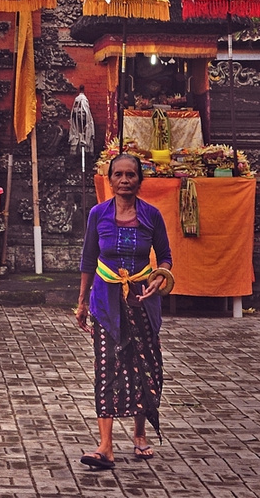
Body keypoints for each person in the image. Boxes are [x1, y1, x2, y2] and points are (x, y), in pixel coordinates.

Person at [76, 153, 173, 470]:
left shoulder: (151, 216)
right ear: (110, 179)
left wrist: (160, 277)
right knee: (106, 368)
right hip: (105, 301)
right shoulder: (97, 214)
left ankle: (141, 434)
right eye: (118, 174)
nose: (125, 180)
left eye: (131, 175)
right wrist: (81, 302)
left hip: (142, 302)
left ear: (139, 180)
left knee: (143, 365)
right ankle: (105, 446)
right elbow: (89, 259)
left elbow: (166, 257)